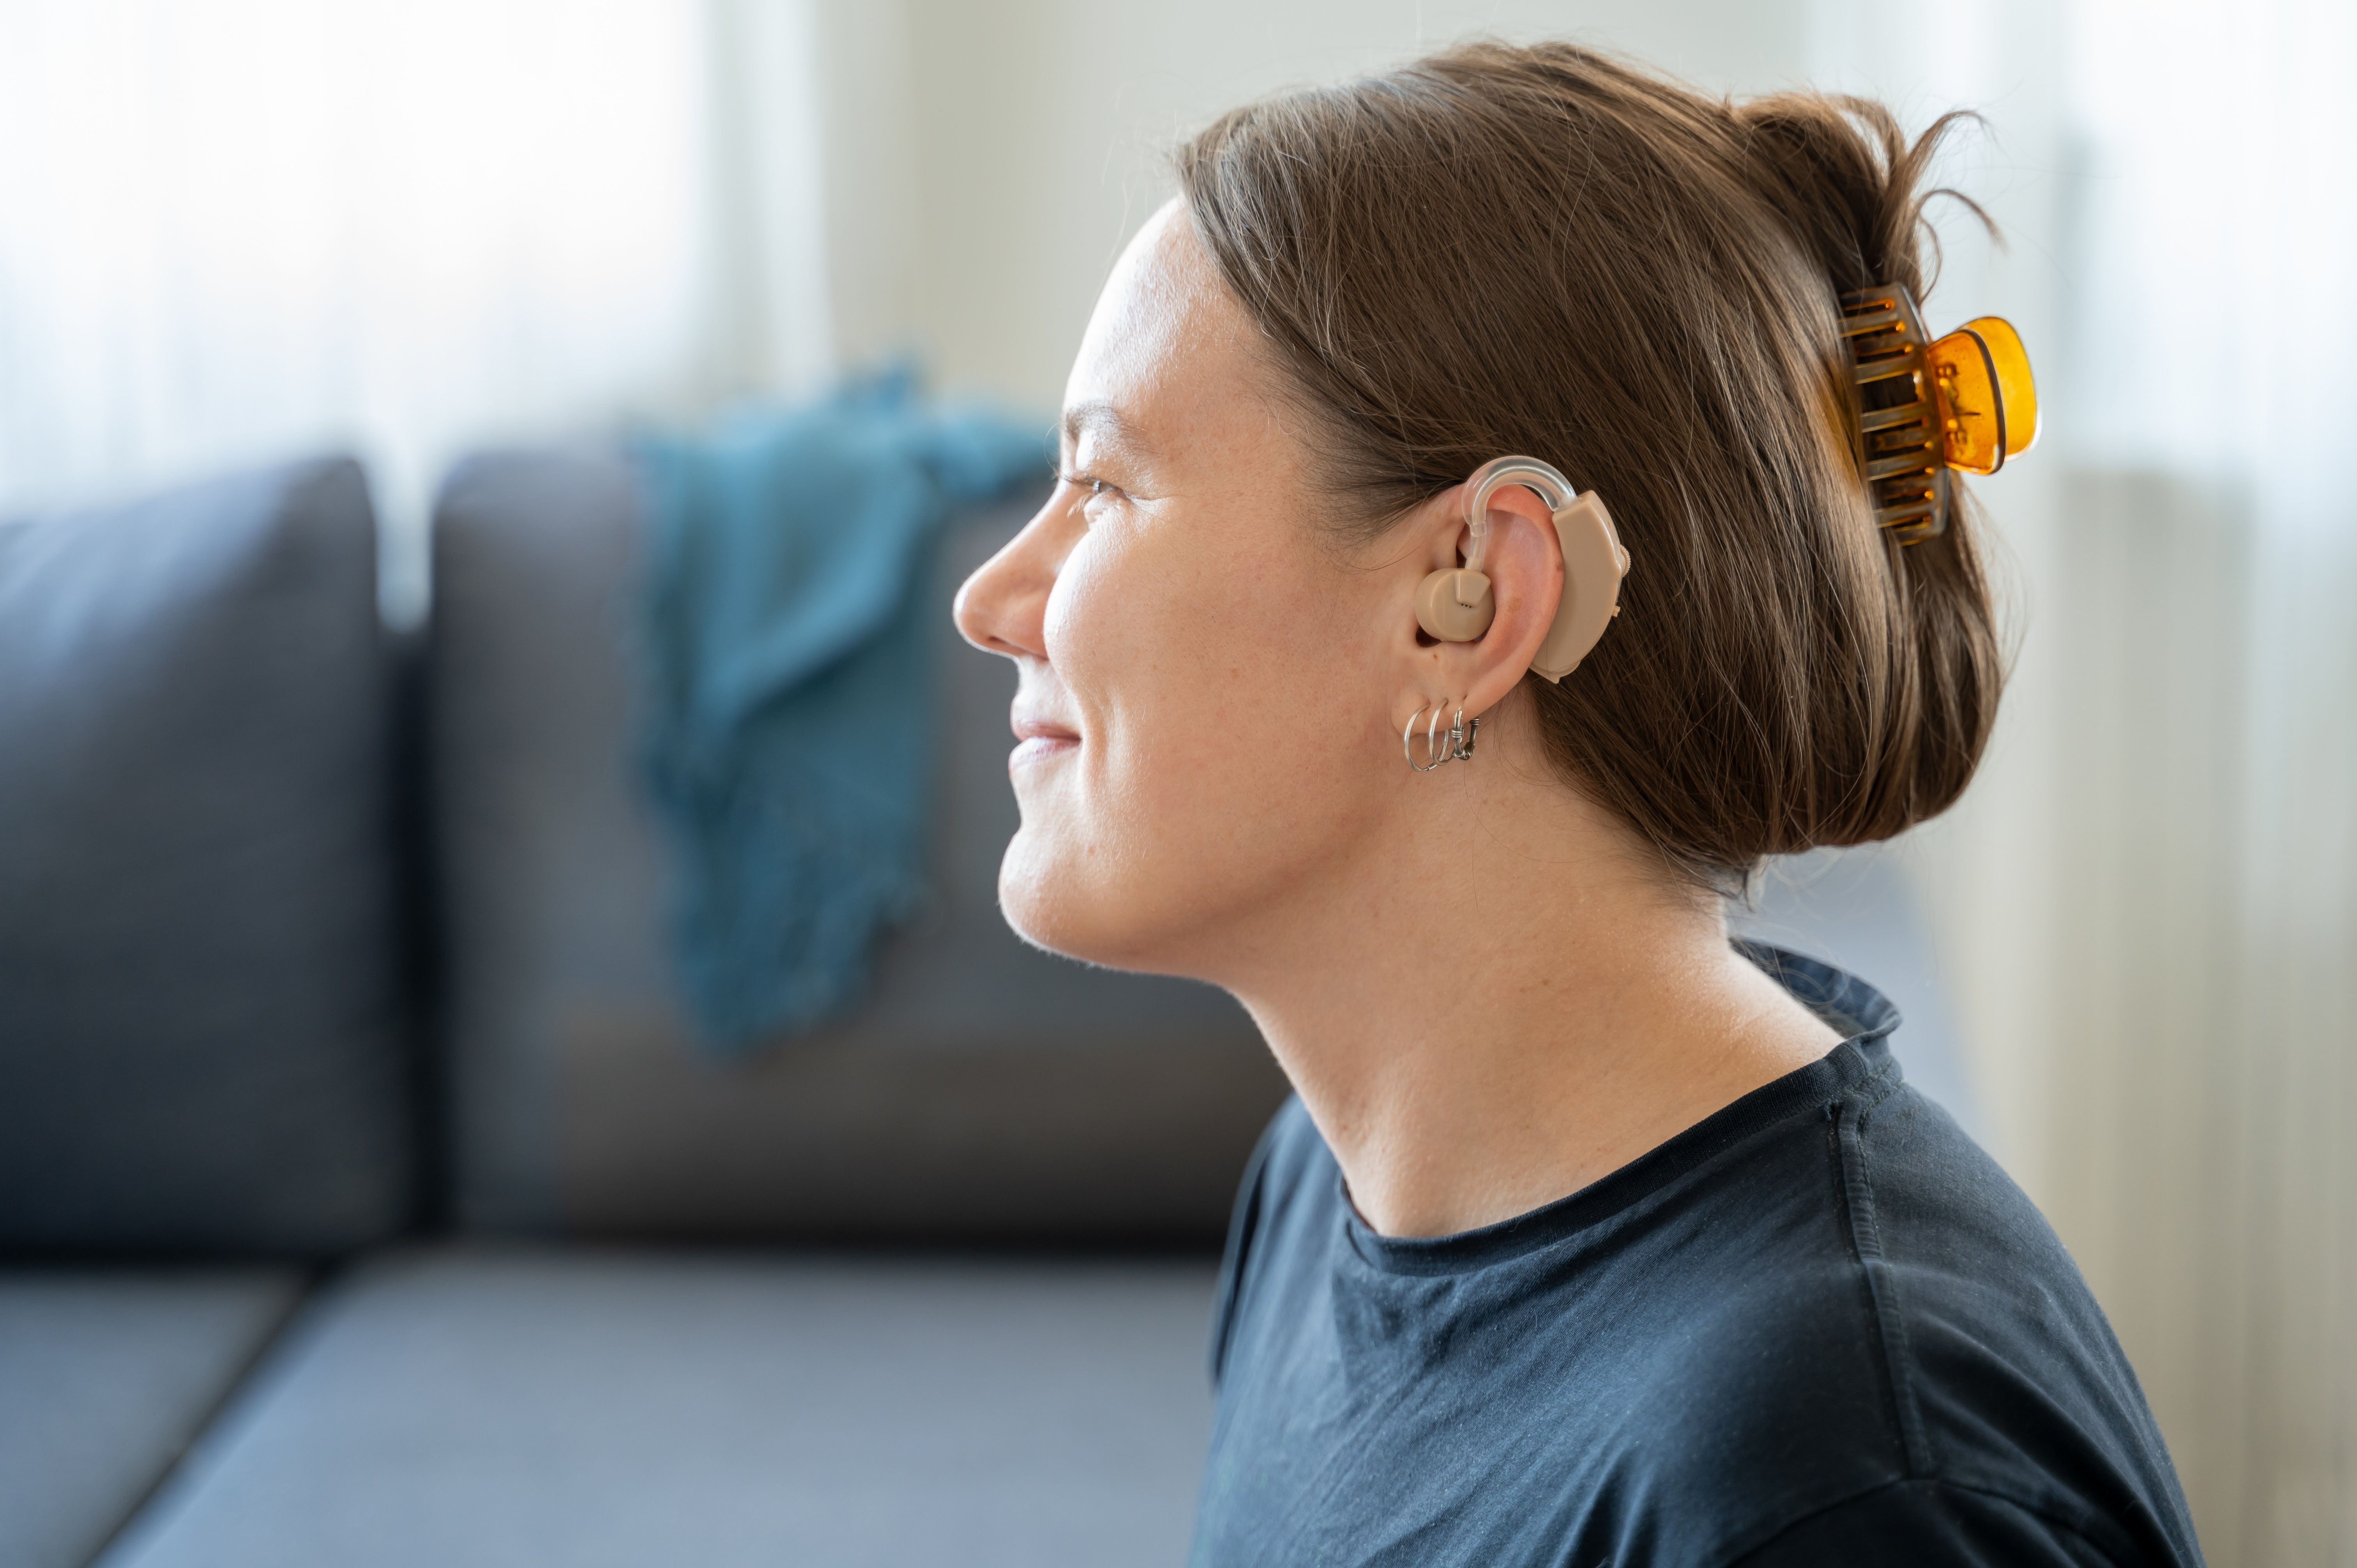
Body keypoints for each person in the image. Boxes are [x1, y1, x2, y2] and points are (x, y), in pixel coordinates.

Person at [952, 39, 2202, 1568]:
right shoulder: (1324, 1193)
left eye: (1108, 487)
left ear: (1475, 603)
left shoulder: (1845, 1475)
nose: (992, 595)